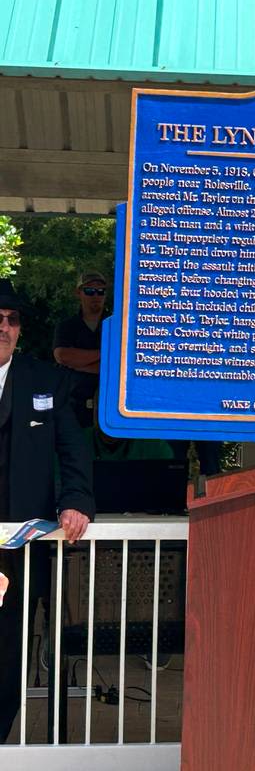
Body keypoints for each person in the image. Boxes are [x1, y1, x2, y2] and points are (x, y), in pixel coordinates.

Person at [0, 280, 94, 742]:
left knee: (10, 652)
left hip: (22, 546)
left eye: (12, 319)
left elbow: (73, 449)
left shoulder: (46, 378)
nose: (4, 326)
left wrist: (75, 500)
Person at [53, 270, 108, 430]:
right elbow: (62, 356)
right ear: (79, 293)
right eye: (90, 291)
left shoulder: (117, 326)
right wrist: (105, 353)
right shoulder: (66, 326)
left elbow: (119, 364)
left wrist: (78, 364)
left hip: (105, 408)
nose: (96, 296)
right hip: (71, 405)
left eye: (101, 291)